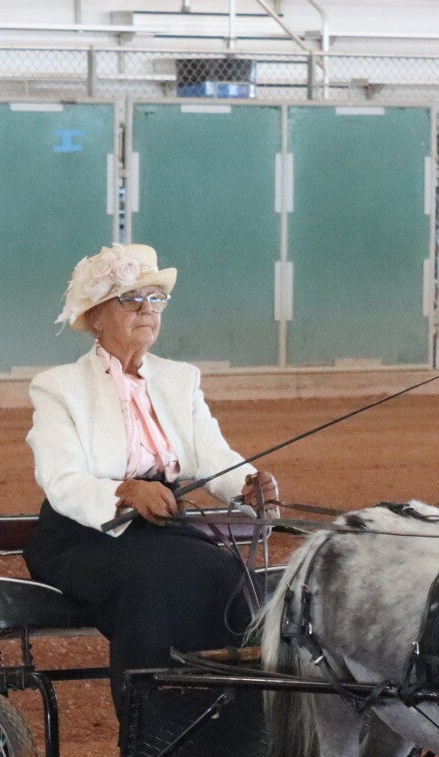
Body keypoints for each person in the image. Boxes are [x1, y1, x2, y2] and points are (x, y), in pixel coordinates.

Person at [22, 243, 281, 717]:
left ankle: (233, 725)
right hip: (83, 535)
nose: (147, 309)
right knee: (154, 581)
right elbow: (61, 479)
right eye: (131, 298)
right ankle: (151, 727)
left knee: (229, 578)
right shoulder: (58, 386)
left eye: (156, 298)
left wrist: (247, 483)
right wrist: (125, 492)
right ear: (96, 316)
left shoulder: (181, 379)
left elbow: (212, 455)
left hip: (163, 527)